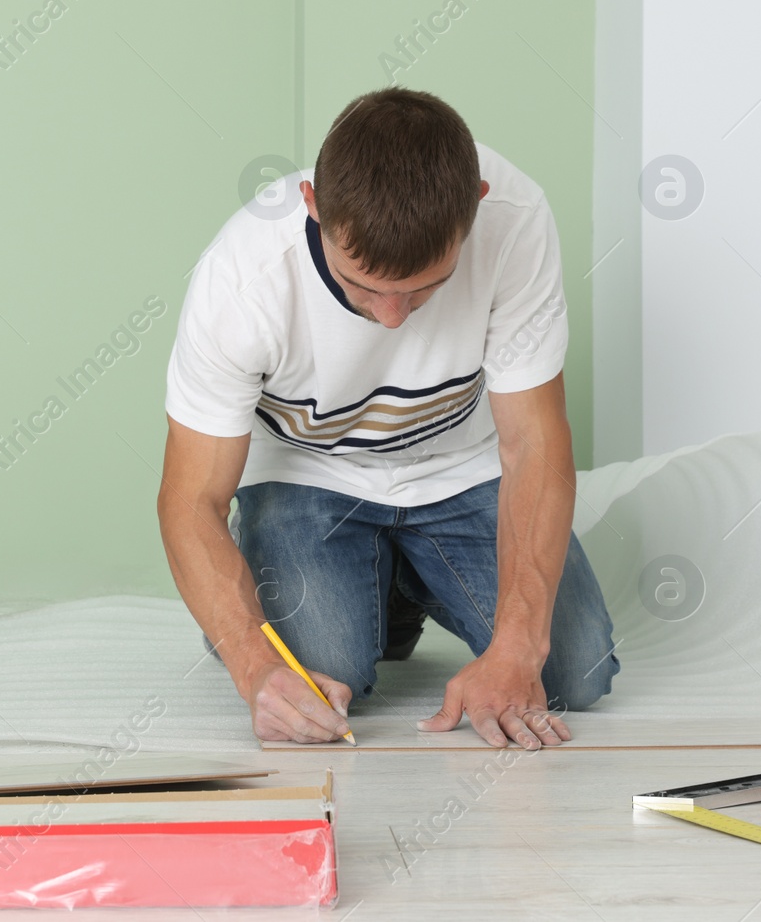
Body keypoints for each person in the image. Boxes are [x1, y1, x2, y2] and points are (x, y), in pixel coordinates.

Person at [156, 88, 619, 750]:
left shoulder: (515, 221)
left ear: (476, 208)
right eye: (362, 286)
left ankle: (400, 576)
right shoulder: (243, 280)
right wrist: (253, 666)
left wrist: (519, 643)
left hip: (461, 469)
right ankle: (339, 584)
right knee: (322, 679)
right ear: (313, 207)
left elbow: (533, 443)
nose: (392, 317)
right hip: (306, 478)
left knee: (574, 668)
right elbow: (188, 500)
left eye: (423, 287)